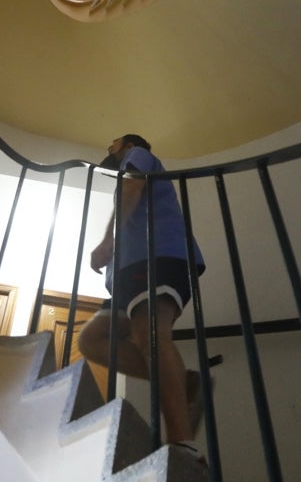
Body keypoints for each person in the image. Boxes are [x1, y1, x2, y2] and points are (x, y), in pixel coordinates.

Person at [77, 134, 207, 459]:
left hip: (158, 256)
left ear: (129, 145)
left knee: (150, 335)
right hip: (130, 273)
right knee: (92, 340)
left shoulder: (138, 156)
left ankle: (183, 446)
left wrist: (107, 240)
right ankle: (185, 383)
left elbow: (132, 188)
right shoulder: (129, 163)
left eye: (113, 143)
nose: (108, 148)